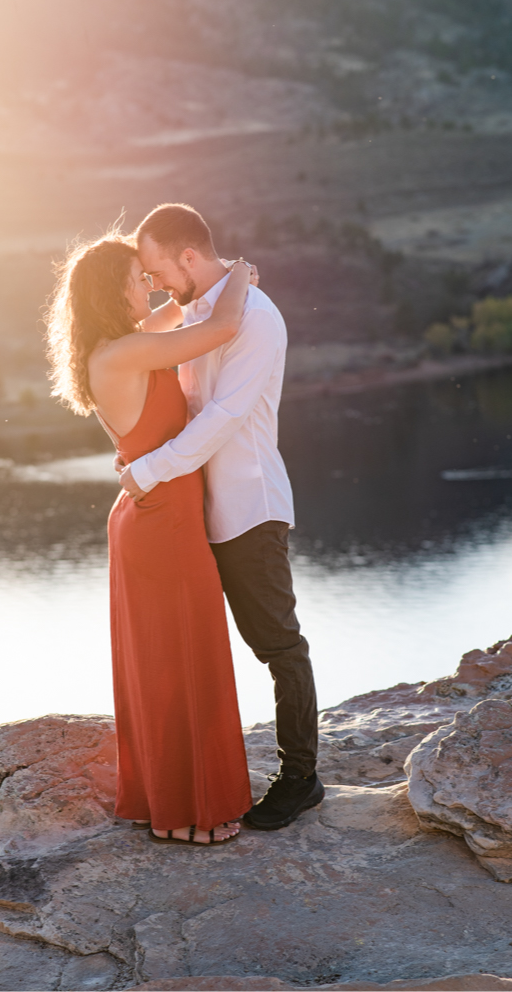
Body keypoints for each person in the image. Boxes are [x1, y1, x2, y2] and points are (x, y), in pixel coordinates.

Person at [119, 203, 325, 832]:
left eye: (158, 269)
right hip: (200, 512)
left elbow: (224, 417)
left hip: (249, 508)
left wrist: (151, 471)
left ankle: (301, 780)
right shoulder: (201, 311)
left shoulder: (255, 319)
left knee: (277, 645)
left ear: (187, 256)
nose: (156, 283)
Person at [45, 232, 255, 845]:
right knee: (180, 659)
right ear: (114, 290)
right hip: (160, 521)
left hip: (157, 514)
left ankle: (164, 803)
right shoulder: (122, 355)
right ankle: (190, 812)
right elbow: (220, 328)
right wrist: (237, 270)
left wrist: (199, 284)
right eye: (141, 278)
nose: (152, 286)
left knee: (167, 662)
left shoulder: (119, 347)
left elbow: (182, 311)